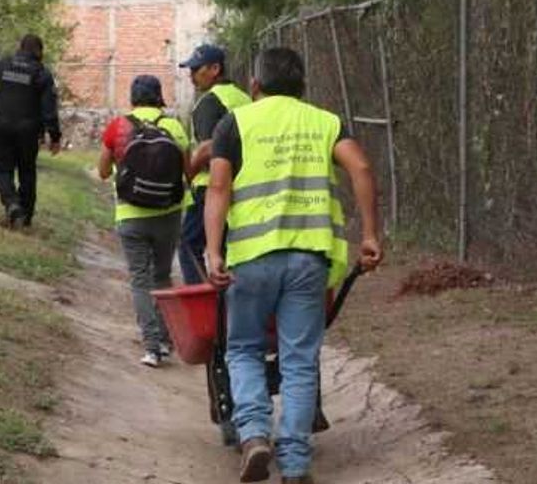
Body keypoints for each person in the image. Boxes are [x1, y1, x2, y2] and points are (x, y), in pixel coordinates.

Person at [204, 48, 383, 484]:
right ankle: (297, 464)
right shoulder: (324, 121)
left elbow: (218, 186)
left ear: (255, 86)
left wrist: (213, 251)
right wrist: (370, 236)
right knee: (299, 359)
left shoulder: (235, 122)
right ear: (303, 87)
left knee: (243, 349)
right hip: (309, 259)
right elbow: (360, 166)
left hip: (251, 259)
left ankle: (254, 436)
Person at [98, 75, 194, 368]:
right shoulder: (174, 126)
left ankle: (151, 346)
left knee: (140, 279)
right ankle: (165, 341)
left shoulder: (119, 126)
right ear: (159, 97)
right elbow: (188, 172)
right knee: (162, 276)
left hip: (131, 214)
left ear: (133, 97)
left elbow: (103, 171)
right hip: (169, 212)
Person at [0, 34, 62, 228]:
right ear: (39, 52)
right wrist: (54, 136)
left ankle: (12, 203)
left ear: (20, 47)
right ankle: (24, 216)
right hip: (29, 131)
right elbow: (49, 109)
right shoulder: (41, 73)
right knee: (27, 171)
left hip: (0, 126)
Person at [176, 44, 252, 283]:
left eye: (196, 69)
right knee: (229, 249)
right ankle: (228, 306)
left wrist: (189, 171)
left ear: (215, 69)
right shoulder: (244, 98)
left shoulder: (210, 102)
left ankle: (203, 303)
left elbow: (208, 147)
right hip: (244, 183)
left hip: (210, 187)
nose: (191, 76)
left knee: (189, 245)